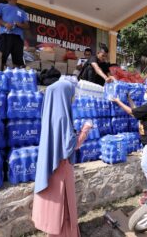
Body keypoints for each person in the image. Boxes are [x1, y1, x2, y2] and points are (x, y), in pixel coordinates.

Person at [32, 80, 92, 237]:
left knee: (53, 206)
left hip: (50, 164)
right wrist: (85, 129)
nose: (71, 99)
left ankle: (52, 232)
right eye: (70, 95)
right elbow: (70, 146)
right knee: (64, 205)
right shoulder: (63, 116)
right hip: (62, 167)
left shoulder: (49, 111)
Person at [112, 86, 147, 205]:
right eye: (146, 91)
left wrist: (118, 101)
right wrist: (130, 100)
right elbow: (136, 113)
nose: (146, 94)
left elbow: (132, 112)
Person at [0, 0, 29, 69]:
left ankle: (17, 78)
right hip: (4, 35)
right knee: (0, 60)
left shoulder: (22, 12)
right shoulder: (1, 6)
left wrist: (19, 24)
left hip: (18, 38)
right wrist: (5, 24)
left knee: (18, 62)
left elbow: (27, 26)